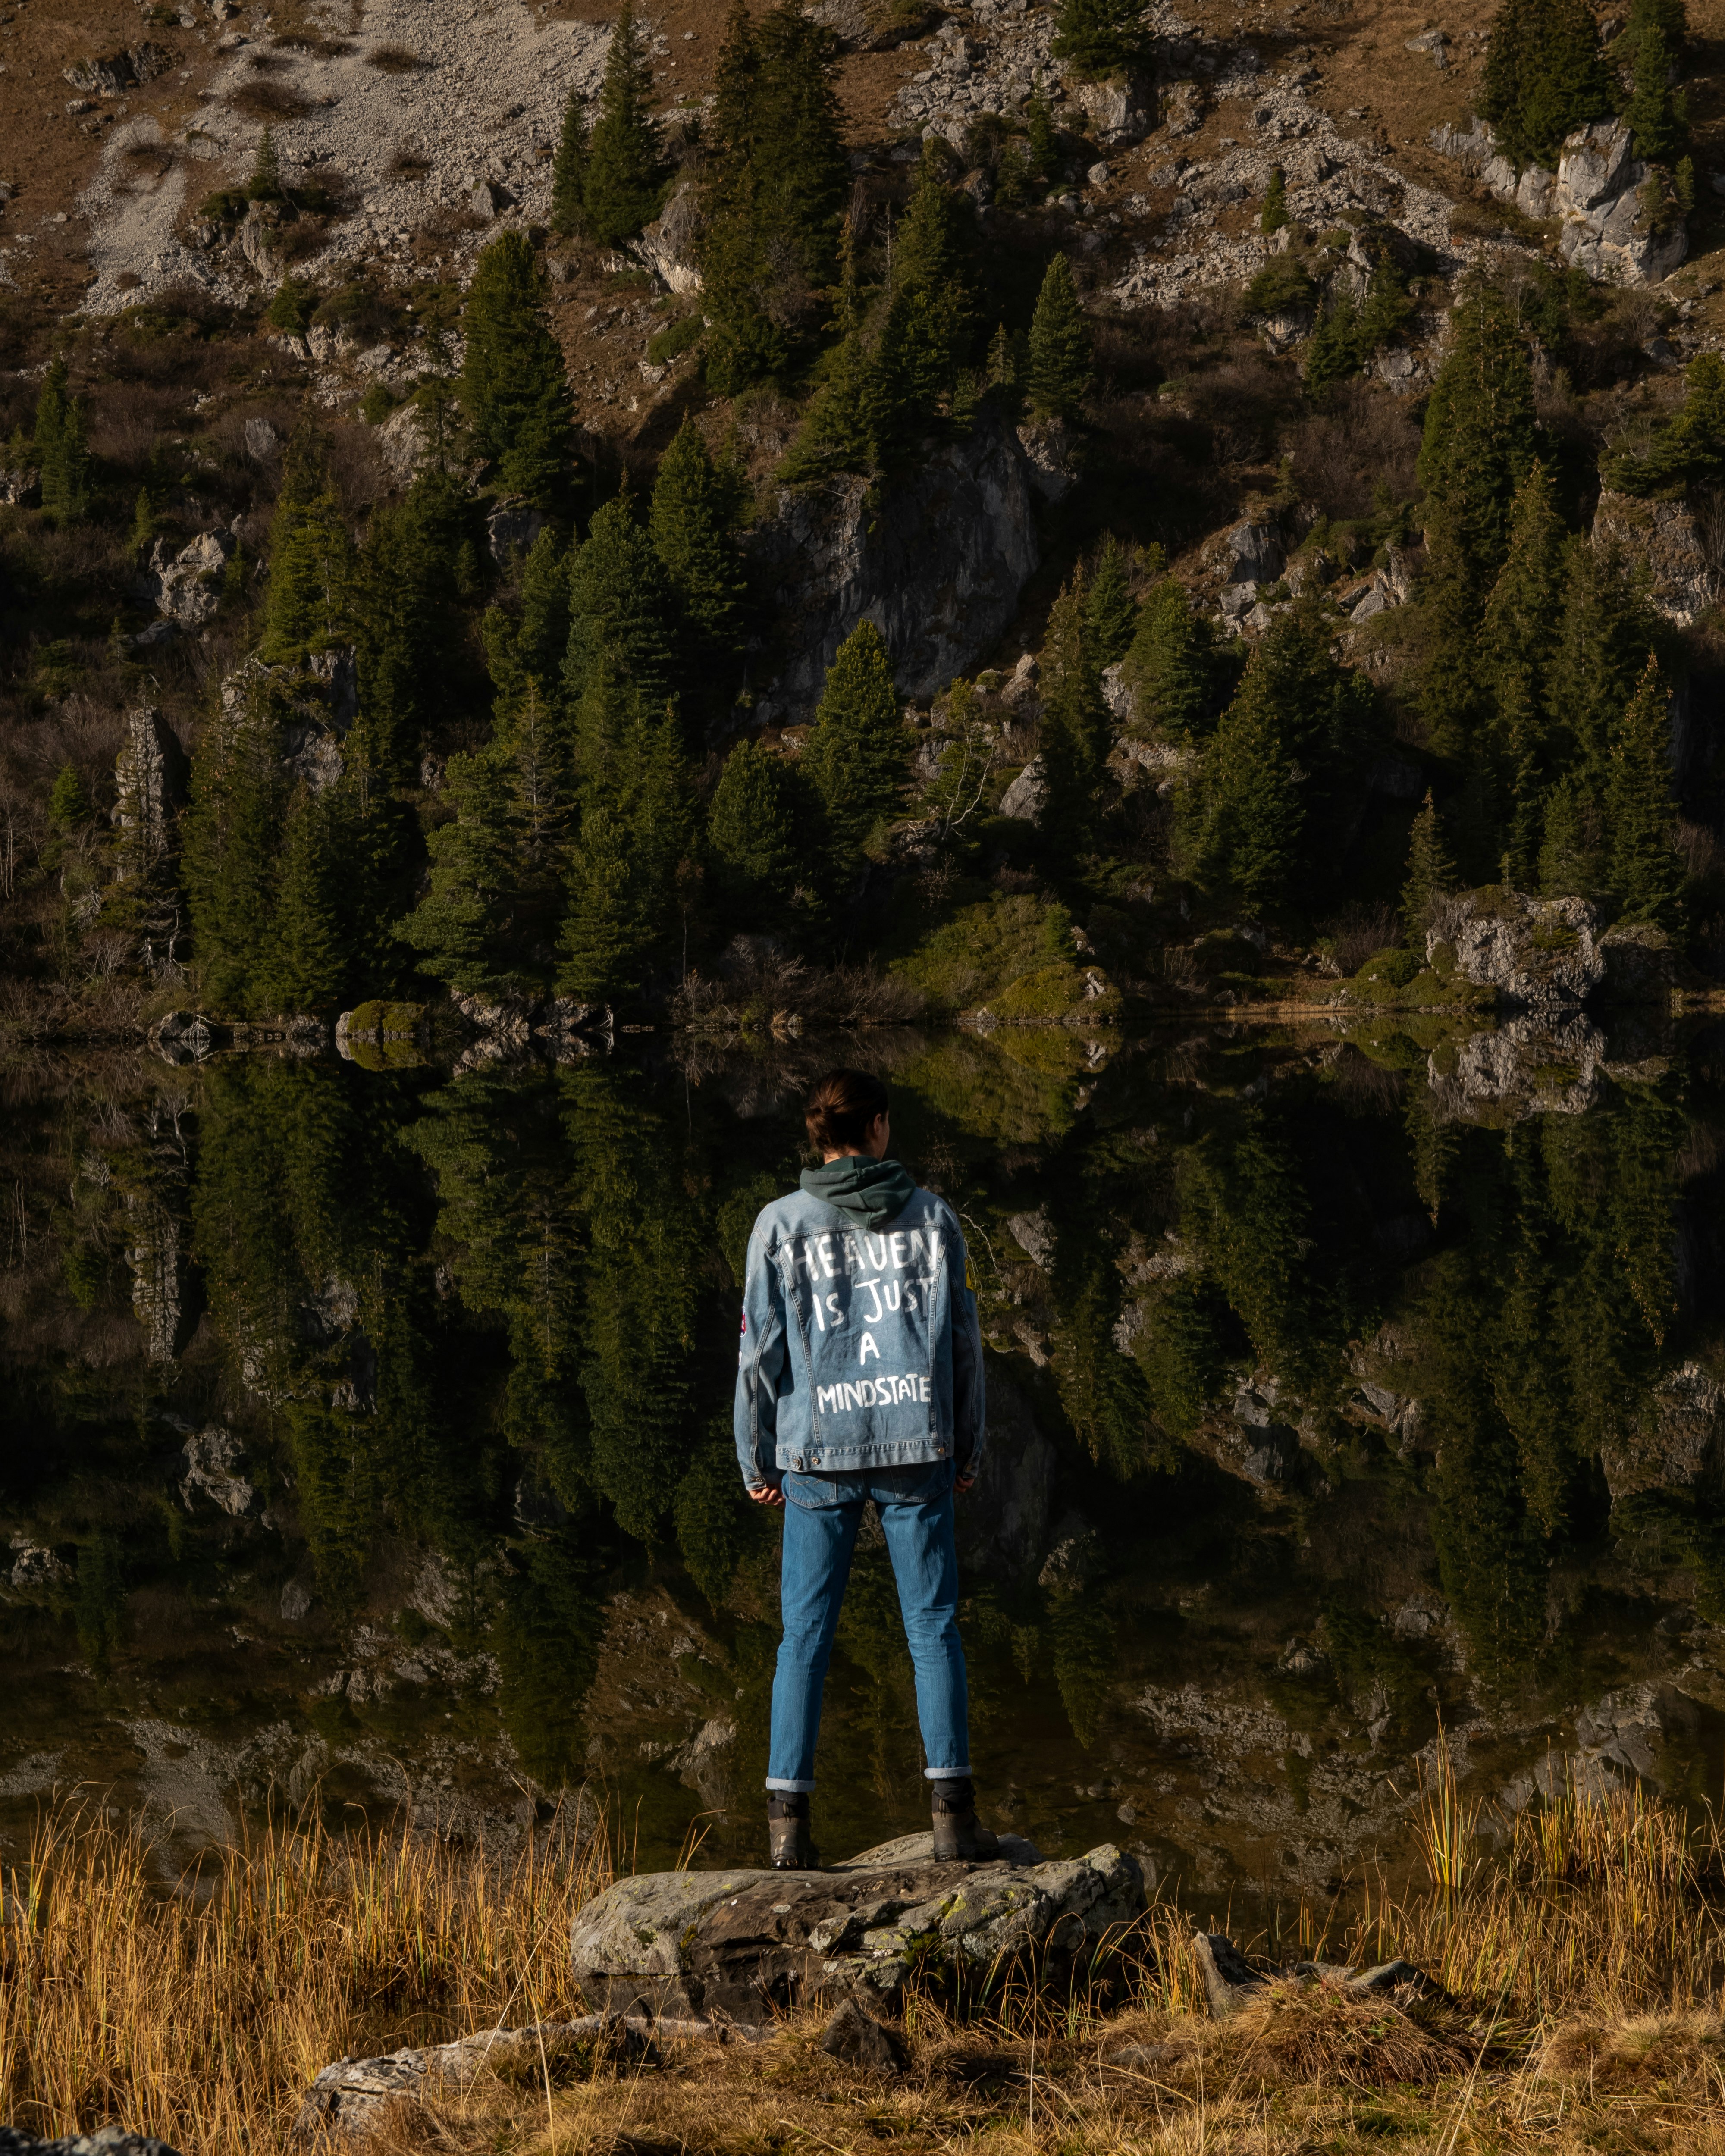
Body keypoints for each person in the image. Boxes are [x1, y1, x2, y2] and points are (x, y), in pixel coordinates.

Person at [733, 1066, 999, 1870]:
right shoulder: (932, 1219)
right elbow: (962, 1344)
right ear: (877, 1127)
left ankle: (789, 1833)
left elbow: (758, 1357)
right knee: (933, 1629)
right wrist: (969, 1444)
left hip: (816, 1451)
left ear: (820, 1137)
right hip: (918, 1443)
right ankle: (953, 1823)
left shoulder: (780, 1225)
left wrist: (756, 1456)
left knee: (803, 1641)